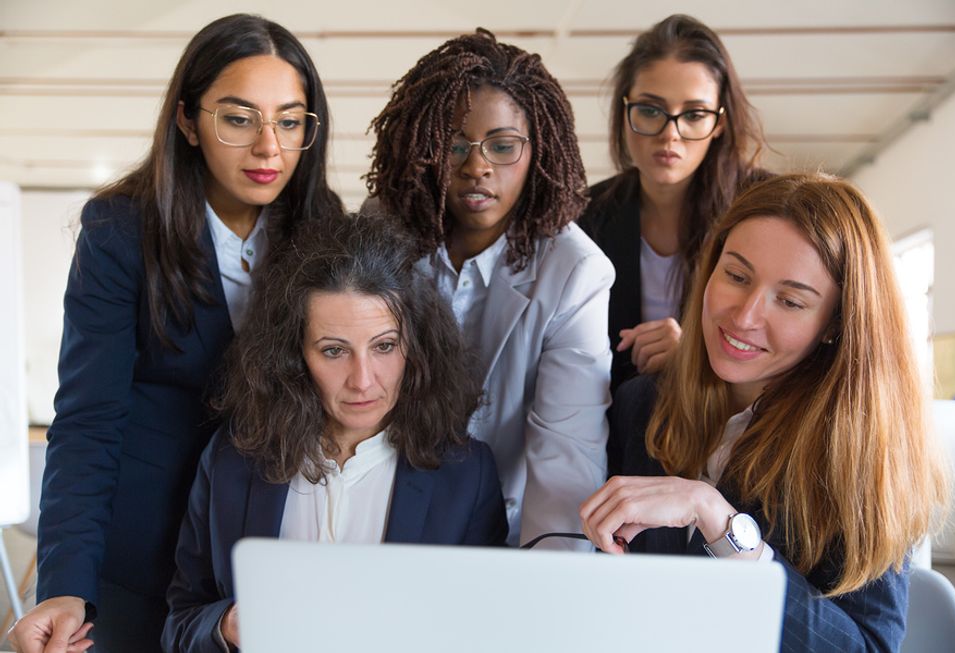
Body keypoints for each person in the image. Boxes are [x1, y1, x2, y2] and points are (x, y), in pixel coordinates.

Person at [9, 14, 342, 653]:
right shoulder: (119, 232)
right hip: (141, 556)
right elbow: (88, 422)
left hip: (267, 553)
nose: (268, 147)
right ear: (188, 121)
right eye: (239, 119)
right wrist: (64, 584)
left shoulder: (324, 231)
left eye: (290, 121)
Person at [580, 173, 948, 651]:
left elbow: (868, 647)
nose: (744, 316)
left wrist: (722, 524)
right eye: (736, 276)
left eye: (790, 301)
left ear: (835, 325)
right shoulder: (642, 404)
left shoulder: (863, 452)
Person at [163, 215, 508, 652]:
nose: (362, 380)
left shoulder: (467, 474)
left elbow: (486, 631)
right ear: (294, 355)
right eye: (333, 351)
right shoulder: (232, 458)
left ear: (415, 347)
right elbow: (180, 624)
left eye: (384, 346)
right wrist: (229, 625)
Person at [365, 29, 613, 549]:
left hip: (509, 531)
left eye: (502, 146)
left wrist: (553, 579)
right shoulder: (380, 230)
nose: (476, 167)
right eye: (454, 145)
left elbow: (568, 454)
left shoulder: (576, 271)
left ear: (539, 152)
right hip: (381, 516)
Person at [578, 14, 768, 404]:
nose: (670, 135)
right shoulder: (585, 217)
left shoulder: (767, 209)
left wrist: (692, 355)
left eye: (694, 115)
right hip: (617, 421)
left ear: (720, 123)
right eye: (650, 110)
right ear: (624, 112)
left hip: (737, 416)